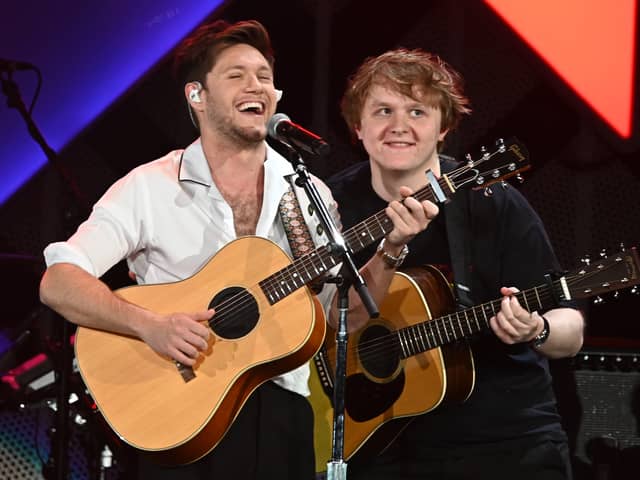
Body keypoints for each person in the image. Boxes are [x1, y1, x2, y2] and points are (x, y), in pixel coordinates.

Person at [38, 20, 436, 480]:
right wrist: (151, 326)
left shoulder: (308, 194)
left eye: (265, 76)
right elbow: (60, 282)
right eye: (237, 75)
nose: (257, 86)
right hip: (178, 414)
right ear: (197, 96)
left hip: (283, 418)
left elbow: (336, 319)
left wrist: (391, 248)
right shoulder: (148, 187)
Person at [326, 48, 585, 479]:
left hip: (504, 443)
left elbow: (569, 329)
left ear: (443, 128)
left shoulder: (491, 201)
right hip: (376, 441)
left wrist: (535, 329)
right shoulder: (330, 206)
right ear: (358, 125)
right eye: (383, 110)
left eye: (417, 111)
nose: (399, 126)